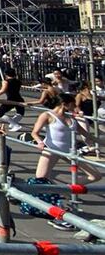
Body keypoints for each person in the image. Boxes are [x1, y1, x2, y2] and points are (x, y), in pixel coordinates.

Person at [30, 93, 101, 230]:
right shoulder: (47, 115)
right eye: (72, 104)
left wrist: (100, 142)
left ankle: (64, 190)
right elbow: (35, 132)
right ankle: (50, 207)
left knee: (95, 175)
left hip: (70, 151)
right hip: (51, 149)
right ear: (64, 104)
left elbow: (87, 135)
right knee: (40, 179)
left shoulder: (71, 118)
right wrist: (39, 142)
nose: (74, 106)